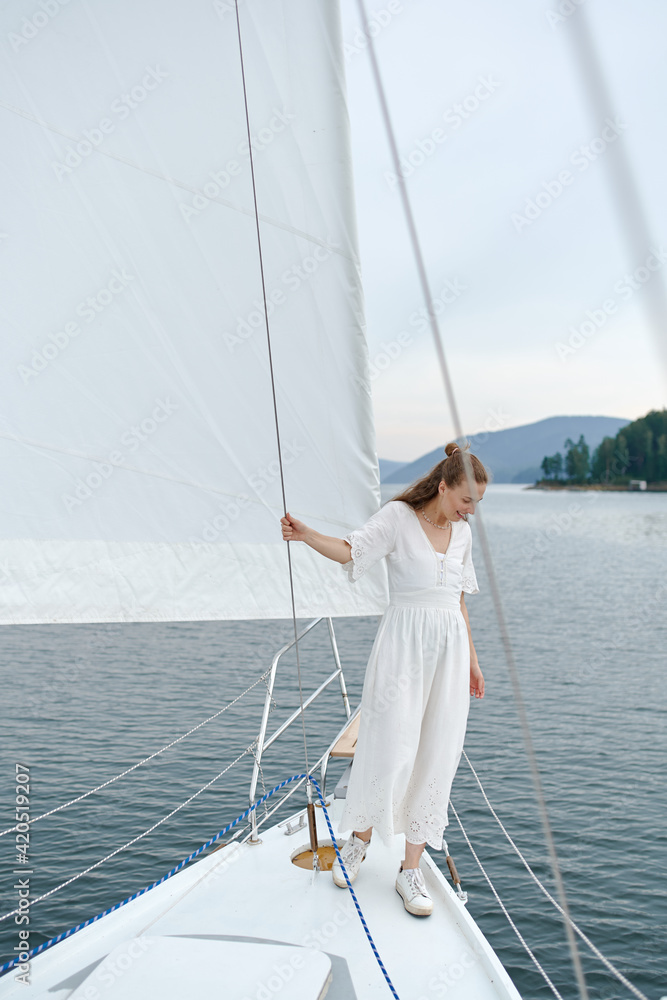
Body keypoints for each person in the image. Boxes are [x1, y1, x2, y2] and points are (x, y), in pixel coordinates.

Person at [280, 442, 487, 917]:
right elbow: (349, 551)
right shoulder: (398, 518)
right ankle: (357, 844)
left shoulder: (463, 534)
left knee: (437, 752)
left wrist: (473, 662)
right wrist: (307, 534)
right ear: (444, 487)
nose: (471, 511)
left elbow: (458, 600)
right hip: (403, 646)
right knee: (388, 744)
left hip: (450, 651)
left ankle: (410, 871)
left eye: (477, 503)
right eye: (466, 500)